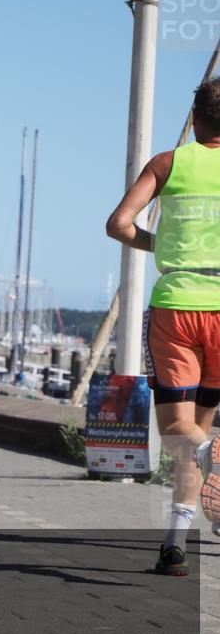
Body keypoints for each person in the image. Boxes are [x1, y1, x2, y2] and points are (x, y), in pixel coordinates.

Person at [105, 75, 220, 576]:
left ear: (194, 119)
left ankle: (177, 540)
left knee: (180, 432)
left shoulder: (168, 164)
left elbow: (119, 223)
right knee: (200, 427)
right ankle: (174, 540)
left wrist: (161, 247)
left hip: (176, 305)